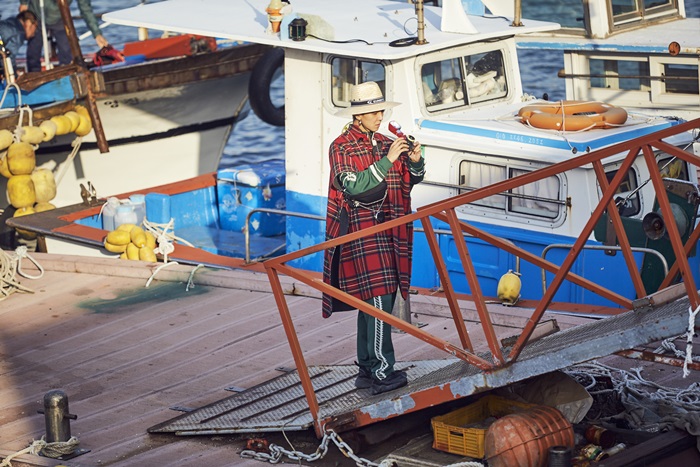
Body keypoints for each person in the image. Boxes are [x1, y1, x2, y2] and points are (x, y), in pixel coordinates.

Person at [322, 81, 426, 396]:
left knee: (373, 302)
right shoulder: (340, 147)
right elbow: (352, 185)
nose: (379, 116)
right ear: (357, 116)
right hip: (360, 230)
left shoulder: (385, 142)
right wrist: (388, 159)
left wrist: (417, 159)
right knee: (379, 298)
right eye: (373, 111)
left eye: (381, 110)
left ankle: (367, 369)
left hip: (389, 228)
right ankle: (382, 371)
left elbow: (413, 180)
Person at [19, 0, 109, 72]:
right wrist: (23, 3)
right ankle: (33, 79)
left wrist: (97, 34)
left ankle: (66, 77)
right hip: (36, 17)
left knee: (66, 52)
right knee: (33, 53)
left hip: (60, 18)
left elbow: (86, 9)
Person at [0, 10, 38, 75]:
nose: (34, 33)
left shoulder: (11, 21)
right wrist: (14, 74)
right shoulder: (19, 33)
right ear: (28, 23)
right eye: (35, 27)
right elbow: (9, 57)